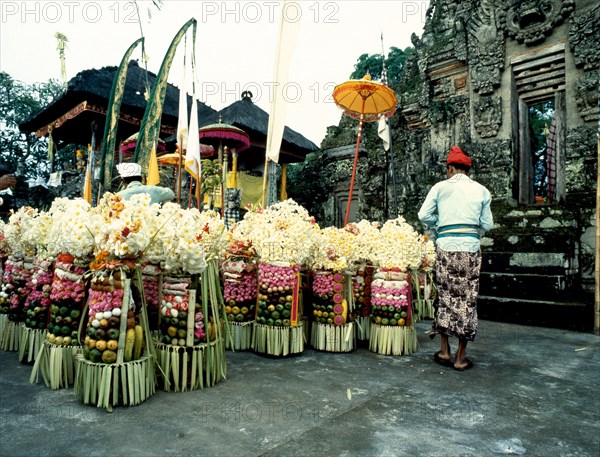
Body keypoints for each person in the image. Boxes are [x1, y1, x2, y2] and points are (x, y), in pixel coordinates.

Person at [418, 145, 493, 371]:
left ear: (450, 168)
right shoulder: (482, 190)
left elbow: (423, 215)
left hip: (445, 248)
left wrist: (440, 225)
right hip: (469, 250)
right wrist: (471, 231)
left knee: (444, 296)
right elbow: (488, 224)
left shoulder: (440, 187)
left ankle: (444, 351)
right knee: (466, 300)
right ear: (467, 170)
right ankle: (460, 358)